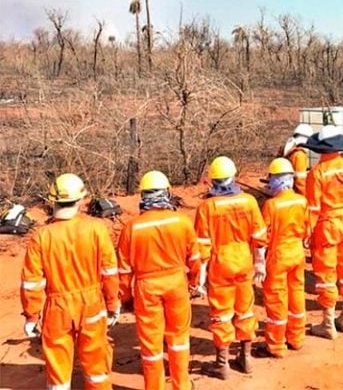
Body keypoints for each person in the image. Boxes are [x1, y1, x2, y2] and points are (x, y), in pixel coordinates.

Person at [21, 173, 119, 390]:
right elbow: (109, 273)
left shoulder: (41, 236)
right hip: (92, 304)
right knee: (97, 370)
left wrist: (31, 316)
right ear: (81, 199)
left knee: (58, 373)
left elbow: (32, 283)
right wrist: (113, 305)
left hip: (57, 309)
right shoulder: (96, 229)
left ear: (52, 201)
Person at [117, 171, 199, 390]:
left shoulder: (131, 228)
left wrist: (126, 297)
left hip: (147, 288)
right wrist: (193, 281)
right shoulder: (181, 221)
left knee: (151, 342)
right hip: (176, 284)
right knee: (179, 338)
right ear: (167, 193)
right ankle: (181, 384)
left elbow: (124, 270)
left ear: (143, 196)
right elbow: (195, 258)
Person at [195, 156, 266, 379]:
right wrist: (259, 261)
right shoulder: (248, 201)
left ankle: (222, 364)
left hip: (220, 265)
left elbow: (203, 244)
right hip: (244, 261)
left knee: (221, 315)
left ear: (212, 180)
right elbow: (259, 236)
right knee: (245, 309)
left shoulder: (207, 206)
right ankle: (246, 358)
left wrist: (201, 275)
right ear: (234, 176)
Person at [302, 125, 343, 339]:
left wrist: (307, 232)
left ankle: (328, 324)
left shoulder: (317, 173)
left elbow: (313, 207)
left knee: (326, 274)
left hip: (326, 226)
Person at [259, 158, 310, 357]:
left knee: (276, 298)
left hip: (278, 256)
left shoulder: (271, 205)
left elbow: (265, 236)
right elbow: (307, 228)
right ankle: (296, 339)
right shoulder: (301, 200)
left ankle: (276, 345)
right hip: (297, 253)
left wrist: (260, 259)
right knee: (297, 293)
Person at [283, 124, 313, 195]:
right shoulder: (300, 155)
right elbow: (300, 181)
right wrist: (305, 197)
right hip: (295, 193)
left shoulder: (292, 149)